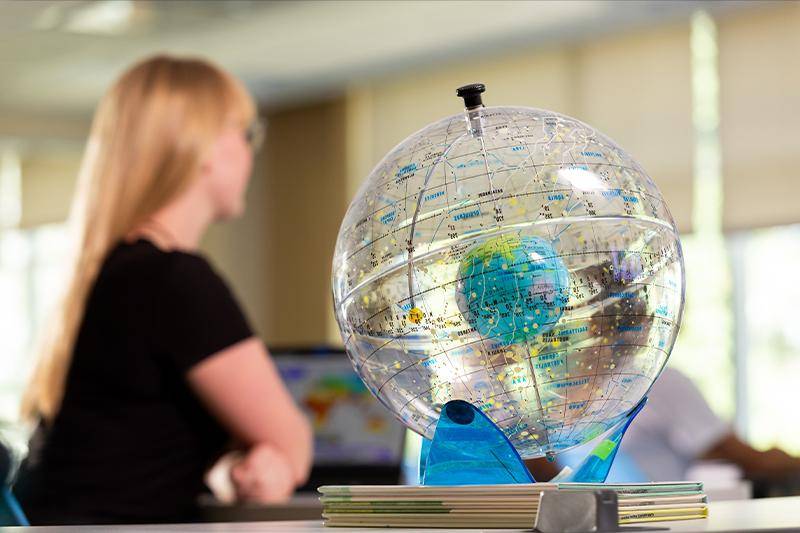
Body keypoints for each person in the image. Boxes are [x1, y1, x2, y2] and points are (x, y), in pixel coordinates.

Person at [12, 55, 312, 525]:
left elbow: (137, 440)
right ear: (205, 146)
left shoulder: (113, 271)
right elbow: (292, 443)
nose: (250, 153)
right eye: (244, 134)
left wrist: (230, 465)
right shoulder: (173, 279)